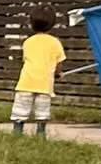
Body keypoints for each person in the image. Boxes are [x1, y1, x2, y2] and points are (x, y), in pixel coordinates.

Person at [11, 8, 66, 138]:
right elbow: (59, 63)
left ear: (32, 23)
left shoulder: (27, 42)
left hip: (26, 81)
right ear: (52, 24)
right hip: (44, 83)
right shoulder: (55, 42)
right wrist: (58, 73)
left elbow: (26, 60)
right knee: (42, 111)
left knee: (20, 109)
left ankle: (17, 132)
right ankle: (40, 134)